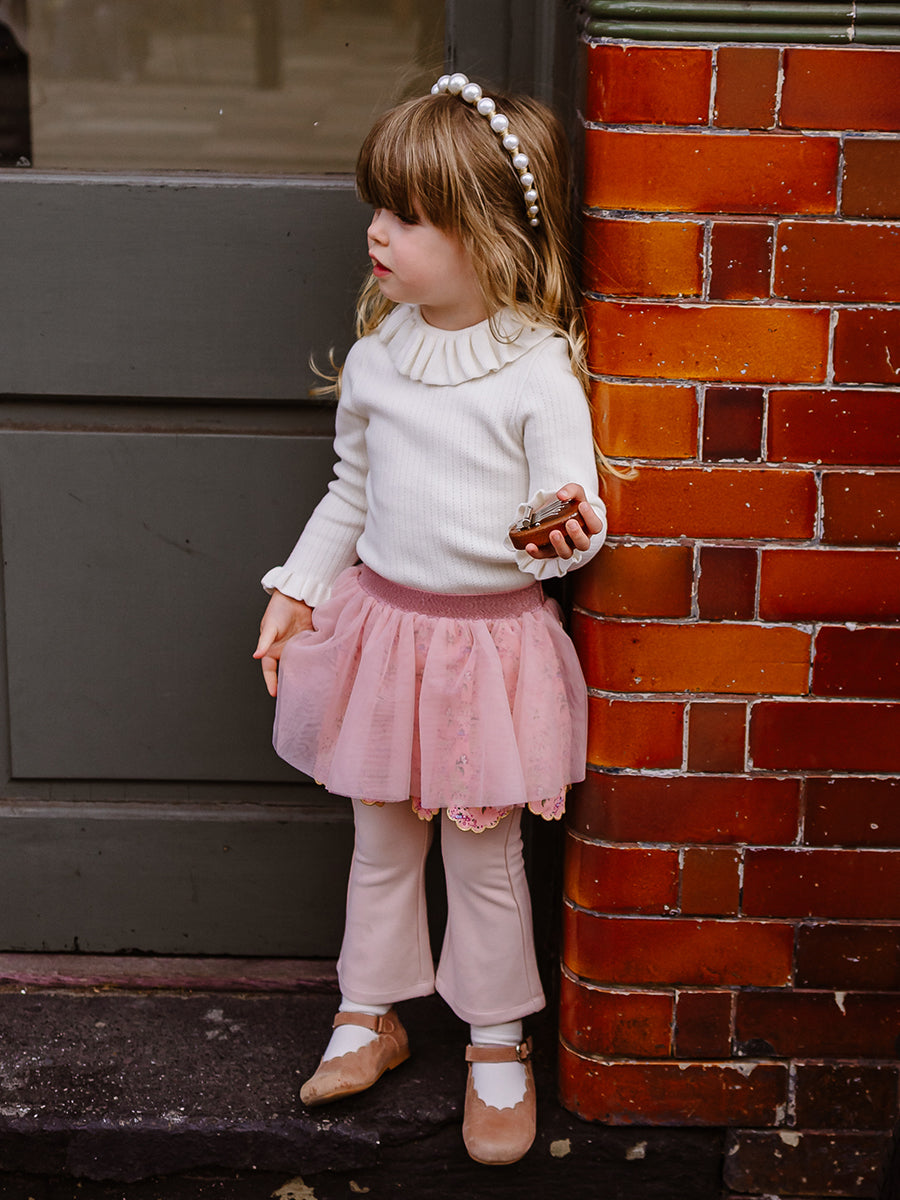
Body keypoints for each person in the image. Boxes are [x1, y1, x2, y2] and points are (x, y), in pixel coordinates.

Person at [253, 71, 608, 1167]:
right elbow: (351, 493)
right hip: (383, 637)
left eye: (408, 217)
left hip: (488, 652)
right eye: (379, 208)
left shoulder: (535, 371)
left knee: (482, 854)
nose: (378, 233)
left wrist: (560, 537)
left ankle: (497, 1039)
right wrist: (297, 588)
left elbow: (576, 517)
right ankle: (370, 1012)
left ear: (490, 236)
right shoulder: (379, 359)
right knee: (380, 844)